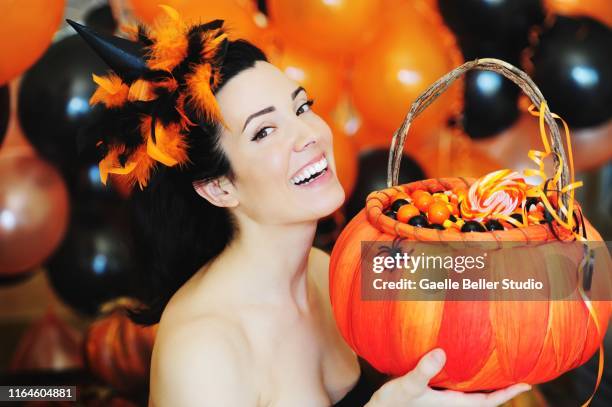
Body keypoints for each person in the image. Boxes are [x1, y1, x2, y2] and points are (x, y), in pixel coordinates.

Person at [69, 9, 531, 407]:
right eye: (264, 132)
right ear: (218, 188)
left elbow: (531, 281)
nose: (308, 134)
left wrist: (532, 239)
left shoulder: (327, 269)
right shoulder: (203, 347)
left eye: (301, 106)